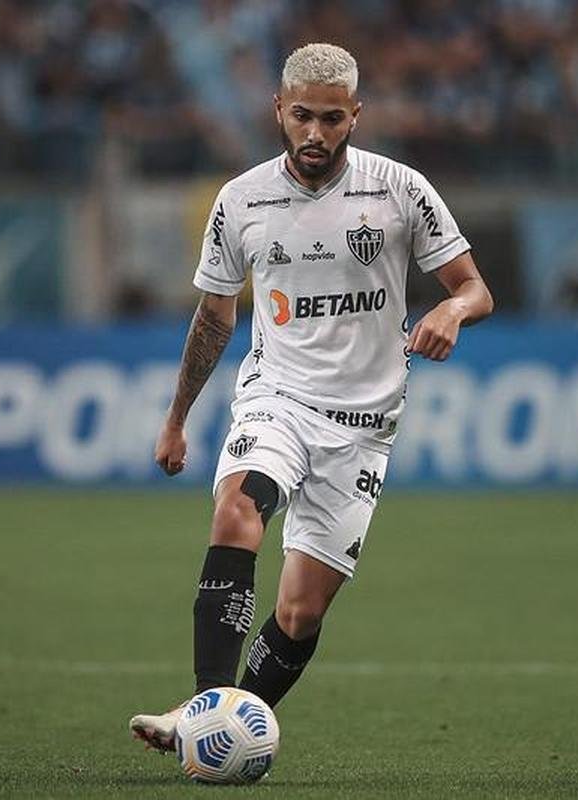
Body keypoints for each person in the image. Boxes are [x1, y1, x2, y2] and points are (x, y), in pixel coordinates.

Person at [129, 42, 493, 752]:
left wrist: (451, 312)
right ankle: (206, 714)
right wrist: (176, 419)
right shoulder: (241, 200)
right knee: (237, 510)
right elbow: (213, 317)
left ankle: (219, 720)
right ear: (278, 111)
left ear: (355, 115)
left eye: (332, 119)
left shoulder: (399, 189)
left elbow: (474, 286)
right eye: (302, 116)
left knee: (298, 611)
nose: (315, 133)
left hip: (362, 426)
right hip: (277, 400)